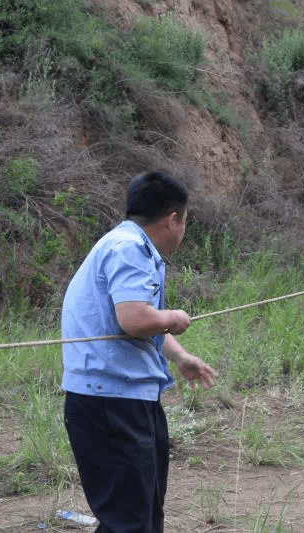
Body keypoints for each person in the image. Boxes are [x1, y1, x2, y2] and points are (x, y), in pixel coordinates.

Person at [61, 170, 218, 533]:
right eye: (185, 220)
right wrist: (173, 317)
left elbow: (132, 325)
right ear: (174, 219)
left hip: (122, 400)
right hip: (111, 405)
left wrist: (181, 357)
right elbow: (134, 318)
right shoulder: (130, 250)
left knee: (141, 516)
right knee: (130, 522)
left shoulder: (124, 243)